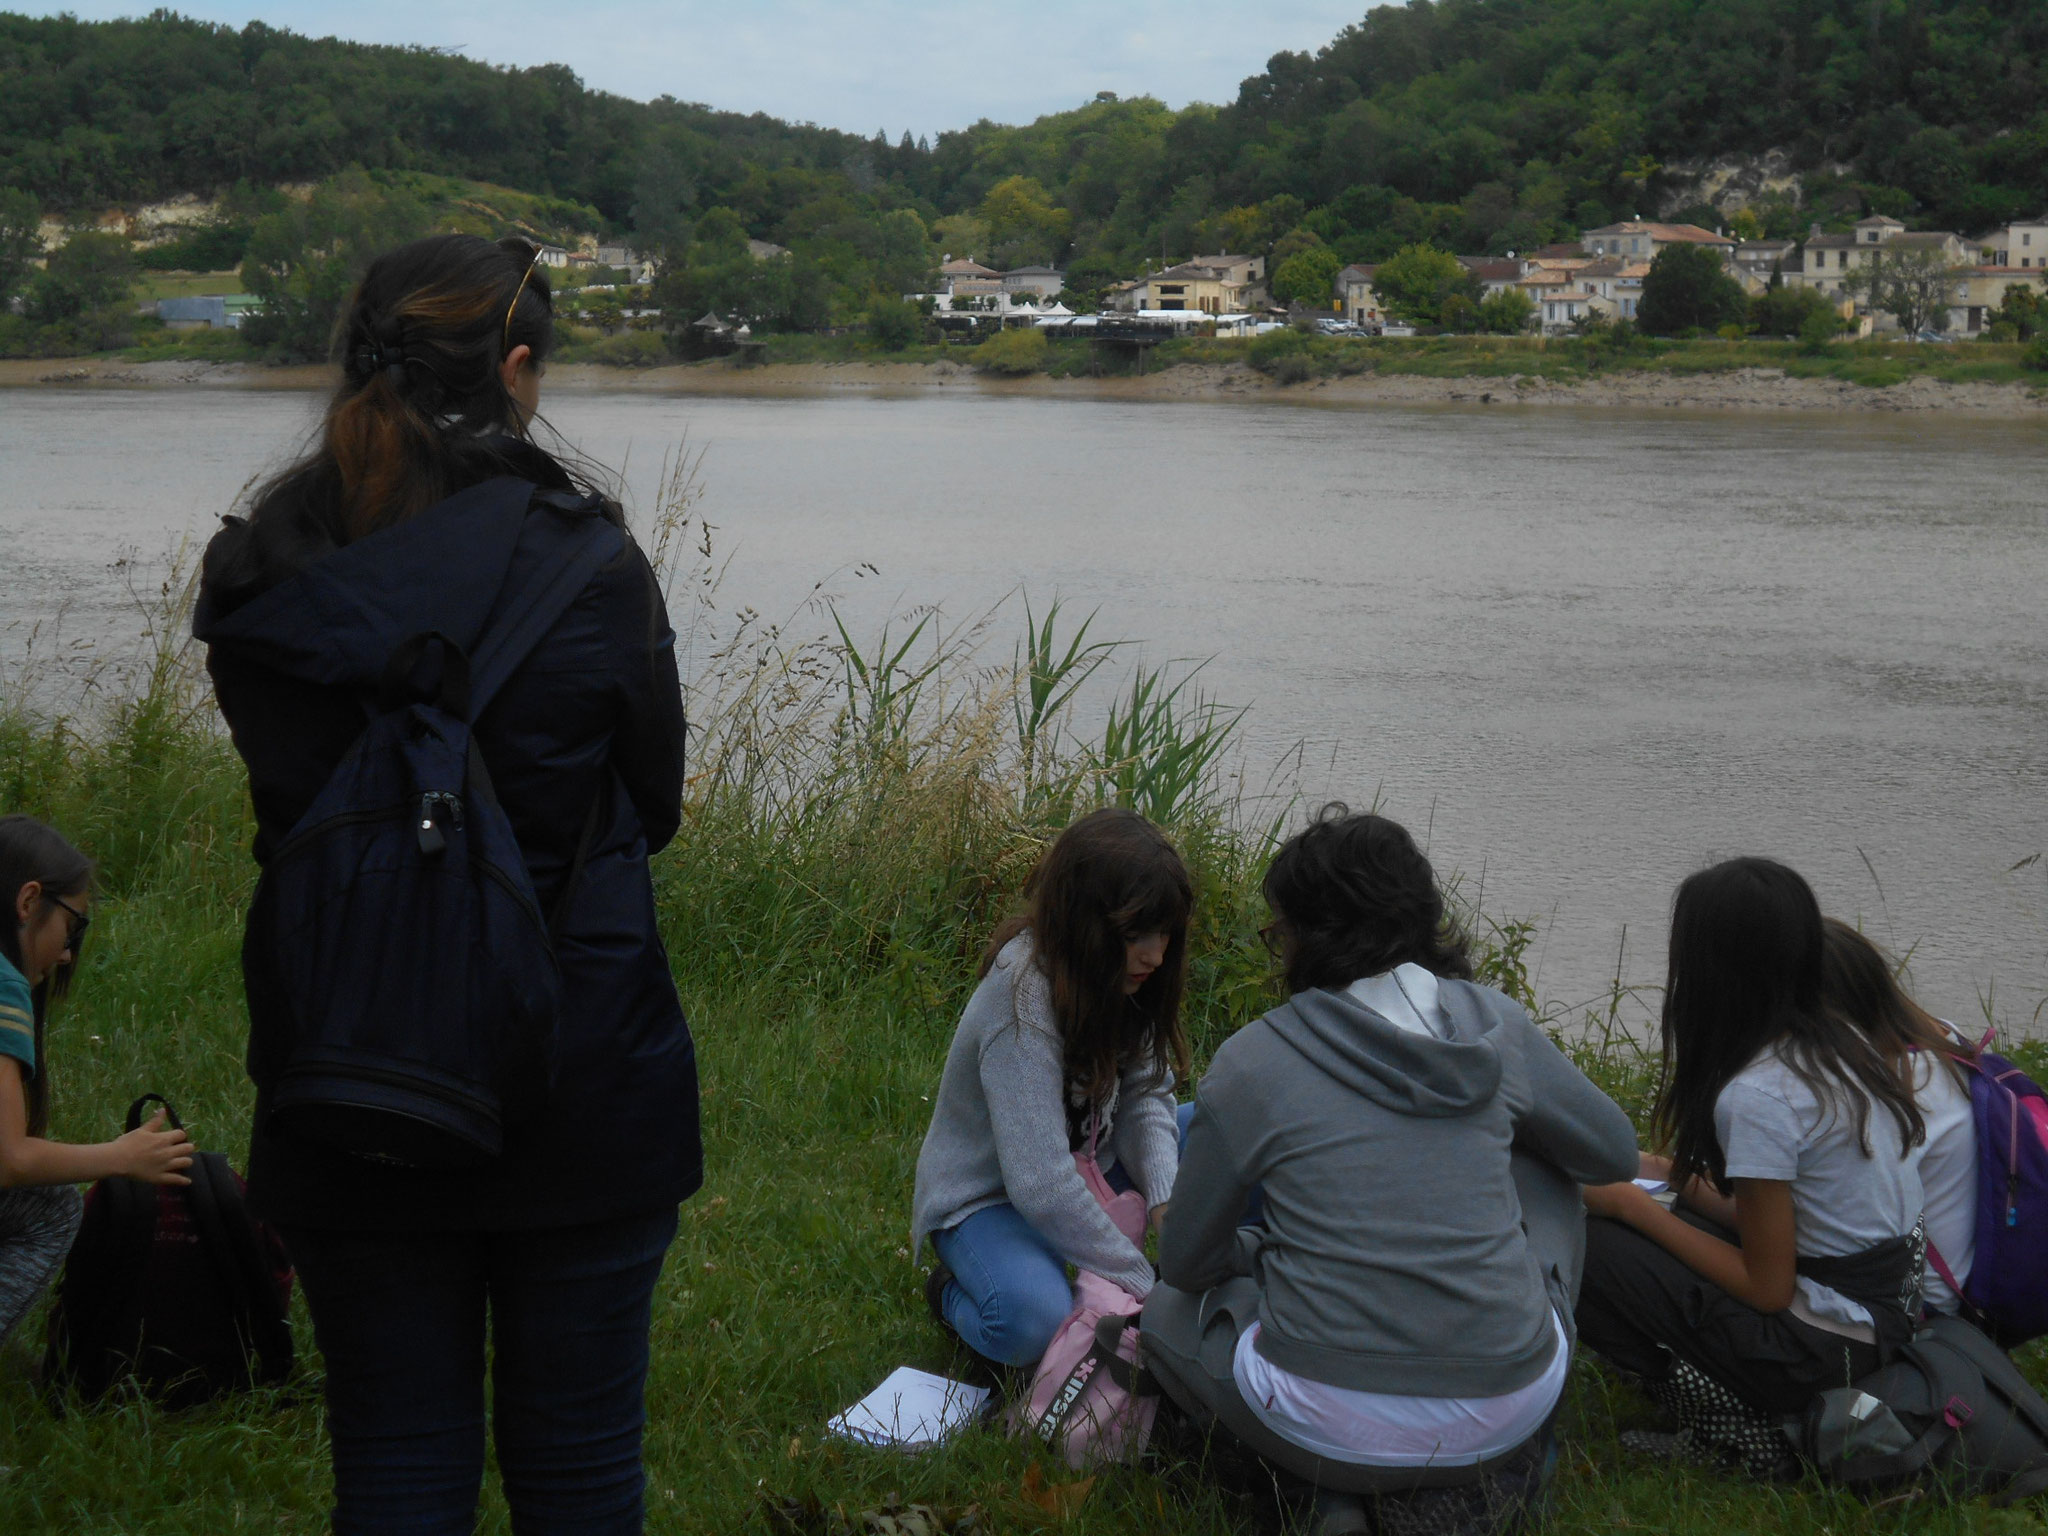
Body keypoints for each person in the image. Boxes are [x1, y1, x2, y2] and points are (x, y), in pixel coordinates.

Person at [194, 233, 699, 1534]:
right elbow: (655, 801)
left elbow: (293, 806)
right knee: (581, 1466)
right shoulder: (590, 564)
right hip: (575, 1059)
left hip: (346, 1055)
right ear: (517, 368)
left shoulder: (263, 571)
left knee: (398, 1455)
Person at [1145, 806, 1638, 1536]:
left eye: (1278, 930)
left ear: (1310, 935)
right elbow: (1613, 1154)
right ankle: (1481, 1474)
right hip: (1507, 1403)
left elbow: (1184, 1263)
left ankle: (1328, 1495)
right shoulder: (1496, 1025)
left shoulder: (1253, 1061)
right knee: (1554, 1167)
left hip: (1324, 1417)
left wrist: (1258, 1254)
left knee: (1163, 1317)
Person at [1575, 858, 1929, 1479]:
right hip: (1883, 1321)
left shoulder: (1762, 1095)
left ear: (1711, 968)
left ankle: (1748, 1434)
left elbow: (1768, 1286)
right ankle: (1732, 1399)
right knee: (1660, 1207)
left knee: (1591, 1244)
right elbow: (1784, 1223)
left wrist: (1628, 1203)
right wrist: (1660, 1171)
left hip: (1824, 1350)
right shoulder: (1839, 1046)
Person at [911, 807, 1190, 1368]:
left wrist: (1168, 1206)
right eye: (1136, 934)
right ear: (1086, 924)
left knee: (1219, 1133)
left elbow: (1147, 1097)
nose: (1156, 955)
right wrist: (1144, 1282)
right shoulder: (1022, 1002)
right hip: (992, 1199)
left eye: (1164, 933)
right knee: (1030, 1322)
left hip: (1090, 1166)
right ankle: (949, 1292)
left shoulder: (1127, 976)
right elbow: (1038, 1184)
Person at [0, 815, 195, 1349]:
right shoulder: (3, 986)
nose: (67, 953)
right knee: (51, 1207)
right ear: (27, 902)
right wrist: (121, 1156)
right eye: (73, 926)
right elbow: (8, 1159)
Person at [1821, 917, 1977, 1317]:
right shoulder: (1945, 1041)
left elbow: (1827, 1220)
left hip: (1923, 1301)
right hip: (1962, 1281)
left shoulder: (1888, 1086)